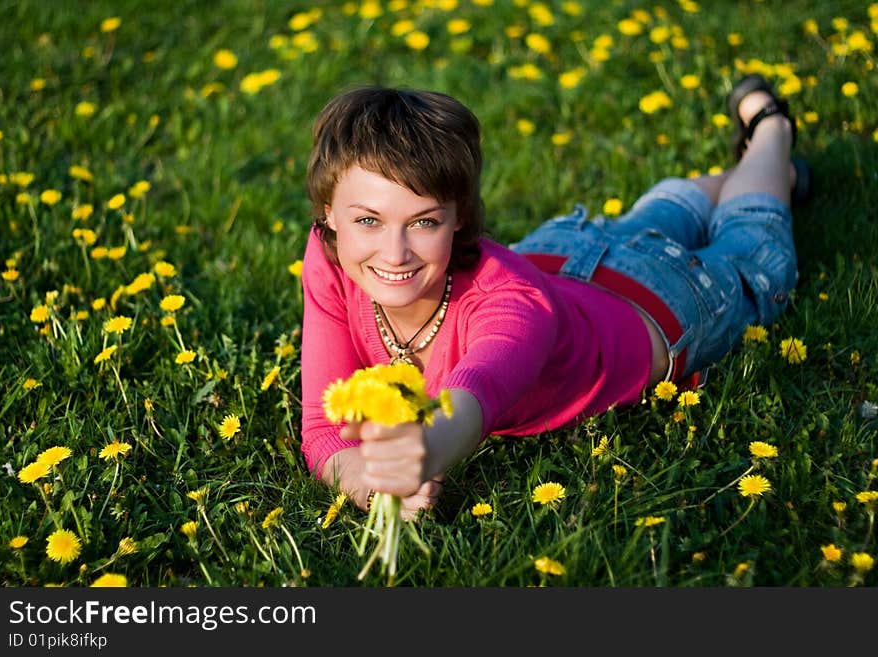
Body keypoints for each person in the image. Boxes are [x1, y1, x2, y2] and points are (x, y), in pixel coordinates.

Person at [300, 75, 809, 518]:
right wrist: (369, 484)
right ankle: (766, 173)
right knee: (653, 217)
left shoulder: (512, 305)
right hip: (557, 252)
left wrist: (429, 449)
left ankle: (771, 130)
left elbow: (479, 391)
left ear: (458, 216)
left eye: (424, 221)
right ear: (329, 212)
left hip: (664, 298)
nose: (394, 252)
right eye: (368, 219)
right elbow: (323, 428)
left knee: (753, 240)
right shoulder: (330, 255)